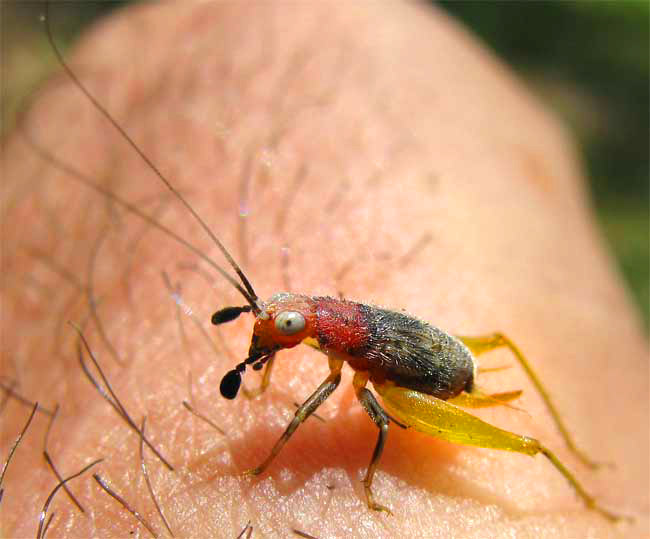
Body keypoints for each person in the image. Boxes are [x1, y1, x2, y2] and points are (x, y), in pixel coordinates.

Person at [2, 2, 647, 537]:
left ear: (320, 326)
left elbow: (344, 415)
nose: (277, 330)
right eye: (282, 322)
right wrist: (264, 355)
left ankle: (585, 496)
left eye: (283, 324)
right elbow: (289, 330)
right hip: (397, 349)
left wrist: (320, 473)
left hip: (426, 379)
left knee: (472, 431)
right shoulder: (322, 325)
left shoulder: (348, 356)